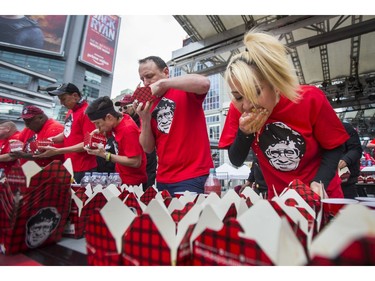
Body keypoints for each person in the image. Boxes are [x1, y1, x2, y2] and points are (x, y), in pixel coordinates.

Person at [225, 30, 349, 199]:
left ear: (275, 83)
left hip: (323, 196)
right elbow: (236, 160)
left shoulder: (309, 98)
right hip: (280, 200)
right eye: (238, 96)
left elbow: (334, 147)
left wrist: (318, 182)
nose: (246, 105)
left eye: (255, 93)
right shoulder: (237, 110)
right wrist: (245, 133)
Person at [134, 56, 213, 196]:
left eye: (149, 76)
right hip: (163, 178)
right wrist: (145, 119)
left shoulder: (182, 89)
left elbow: (204, 83)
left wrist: (162, 84)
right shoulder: (148, 104)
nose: (146, 83)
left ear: (166, 72)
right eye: (142, 79)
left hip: (192, 175)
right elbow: (147, 147)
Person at [35, 83, 97, 183]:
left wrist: (57, 151)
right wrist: (52, 139)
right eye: (60, 99)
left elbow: (89, 143)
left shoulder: (86, 112)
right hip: (70, 164)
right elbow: (67, 133)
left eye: (63, 99)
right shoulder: (71, 111)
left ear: (75, 96)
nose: (61, 103)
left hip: (83, 167)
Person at [85, 96, 148, 188]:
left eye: (97, 123)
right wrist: (100, 131)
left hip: (133, 183)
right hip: (121, 177)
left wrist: (105, 155)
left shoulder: (128, 130)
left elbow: (135, 162)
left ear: (109, 117)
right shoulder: (119, 119)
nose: (96, 126)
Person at [115, 94, 157, 189]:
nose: (123, 111)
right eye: (121, 109)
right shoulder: (123, 124)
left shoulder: (143, 119)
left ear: (134, 105)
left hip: (146, 166)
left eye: (125, 107)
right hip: (130, 172)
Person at [339, 121, 363, 198]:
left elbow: (356, 150)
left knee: (347, 206)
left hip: (346, 180)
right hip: (324, 181)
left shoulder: (345, 127)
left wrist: (345, 160)